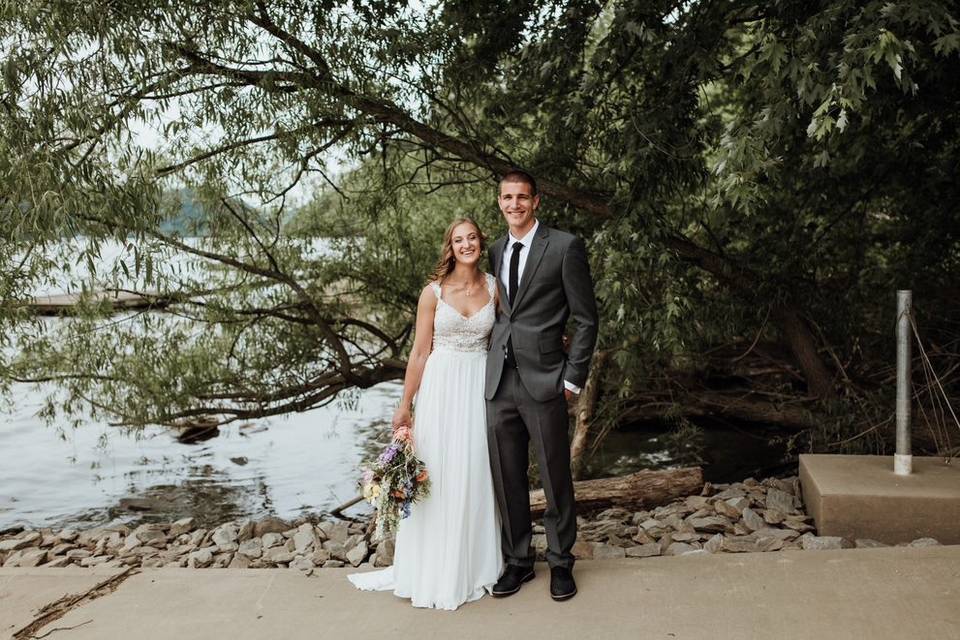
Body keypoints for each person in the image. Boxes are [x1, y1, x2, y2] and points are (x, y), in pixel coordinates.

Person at [347, 217, 502, 610]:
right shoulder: (432, 293)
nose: (466, 244)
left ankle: (474, 565)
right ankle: (431, 568)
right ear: (450, 247)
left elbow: (509, 339)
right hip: (441, 385)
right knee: (439, 471)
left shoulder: (495, 288)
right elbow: (419, 352)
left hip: (479, 386)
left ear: (481, 244)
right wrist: (405, 405)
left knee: (473, 469)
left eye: (472, 238)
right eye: (458, 239)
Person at [485, 169, 599, 601]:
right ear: (499, 202)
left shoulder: (565, 247)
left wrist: (572, 378)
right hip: (499, 380)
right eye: (507, 197)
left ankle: (560, 562)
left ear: (536, 202)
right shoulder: (494, 250)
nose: (514, 204)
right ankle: (518, 561)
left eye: (522, 197)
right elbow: (500, 315)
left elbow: (586, 319)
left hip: (547, 378)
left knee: (554, 474)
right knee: (506, 474)